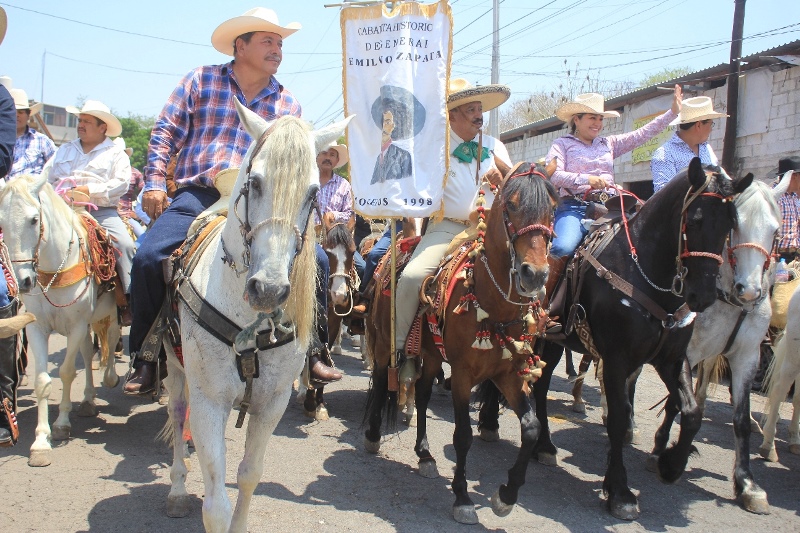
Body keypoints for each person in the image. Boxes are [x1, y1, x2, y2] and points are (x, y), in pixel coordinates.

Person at [123, 7, 340, 395]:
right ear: (240, 46)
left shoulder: (288, 105)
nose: (277, 50)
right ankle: (146, 353)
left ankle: (315, 350)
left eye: (280, 43)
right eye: (268, 41)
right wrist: (154, 183)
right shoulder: (201, 80)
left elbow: (295, 171)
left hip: (262, 201)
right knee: (148, 256)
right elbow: (165, 132)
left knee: (320, 262)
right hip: (201, 193)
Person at [394, 78, 511, 381]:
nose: (478, 115)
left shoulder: (496, 146)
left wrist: (504, 179)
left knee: (531, 271)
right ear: (452, 115)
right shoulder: (433, 148)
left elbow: (513, 190)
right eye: (471, 110)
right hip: (448, 228)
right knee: (412, 277)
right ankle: (404, 352)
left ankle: (527, 339)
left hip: (494, 231)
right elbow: (415, 191)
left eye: (479, 109)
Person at [544, 86, 682, 295]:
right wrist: (587, 180)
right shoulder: (561, 144)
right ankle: (546, 301)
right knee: (562, 248)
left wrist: (671, 113)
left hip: (612, 206)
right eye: (592, 118)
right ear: (576, 120)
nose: (598, 123)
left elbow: (642, 134)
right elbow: (553, 175)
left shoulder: (609, 143)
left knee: (646, 237)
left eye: (600, 119)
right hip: (575, 207)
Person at [42, 100, 136, 325]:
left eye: (86, 121)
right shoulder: (64, 149)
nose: (80, 125)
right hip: (63, 210)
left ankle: (130, 300)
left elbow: (121, 183)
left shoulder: (116, 153)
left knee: (125, 245)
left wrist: (89, 191)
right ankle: (30, 291)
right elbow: (48, 177)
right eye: (80, 120)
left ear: (103, 127)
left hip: (101, 211)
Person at [651, 96, 726, 192]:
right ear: (698, 125)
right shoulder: (665, 154)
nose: (711, 129)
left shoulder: (707, 148)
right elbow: (664, 194)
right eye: (711, 124)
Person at [7, 87, 55, 180]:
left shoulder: (42, 141)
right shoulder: (2, 140)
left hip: (32, 187)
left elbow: (57, 164)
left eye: (20, 112)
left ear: (28, 115)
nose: (16, 115)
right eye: (13, 111)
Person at [115, 138, 147, 238]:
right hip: (107, 214)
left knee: (143, 238)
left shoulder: (135, 173)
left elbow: (145, 194)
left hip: (126, 216)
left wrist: (137, 214)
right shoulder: (104, 172)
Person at [371, 108, 413, 184]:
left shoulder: (404, 156)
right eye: (381, 122)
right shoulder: (377, 158)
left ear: (393, 126)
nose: (383, 126)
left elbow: (409, 184)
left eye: (387, 122)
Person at [774, 156, 800, 262]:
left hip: (796, 255)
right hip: (779, 256)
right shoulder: (774, 197)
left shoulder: (795, 197)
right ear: (794, 176)